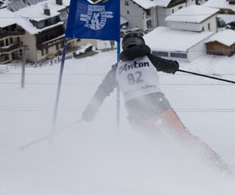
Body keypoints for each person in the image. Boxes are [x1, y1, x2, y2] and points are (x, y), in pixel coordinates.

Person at [81, 32, 226, 169]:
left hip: (136, 113)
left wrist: (90, 111)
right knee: (184, 138)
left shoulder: (117, 68)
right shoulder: (148, 58)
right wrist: (175, 65)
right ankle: (217, 164)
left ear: (124, 47)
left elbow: (102, 91)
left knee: (160, 147)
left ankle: (176, 172)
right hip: (158, 104)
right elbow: (170, 66)